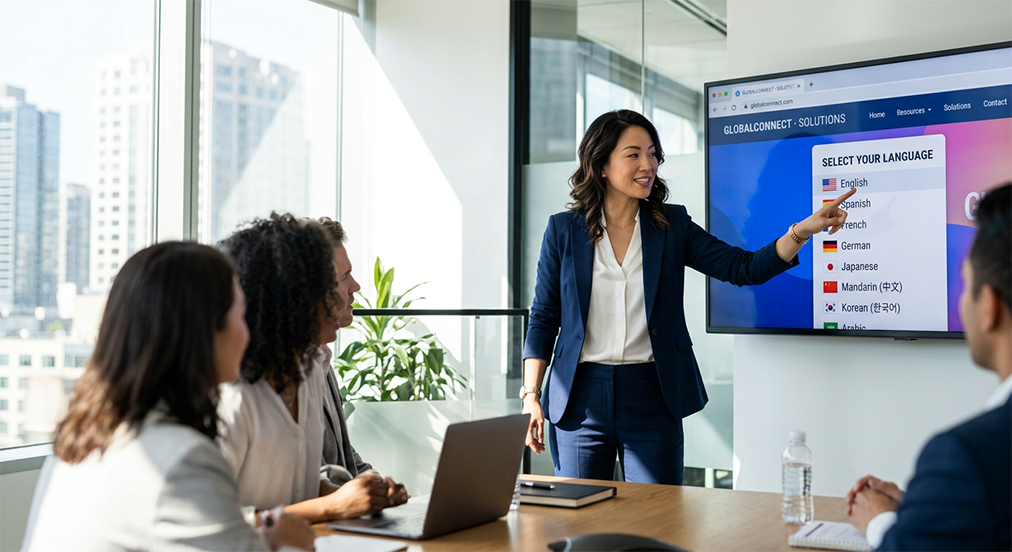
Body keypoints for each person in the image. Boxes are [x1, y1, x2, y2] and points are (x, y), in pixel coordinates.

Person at [522, 109, 854, 484]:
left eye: (652, 154)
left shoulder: (671, 225)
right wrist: (531, 394)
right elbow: (544, 315)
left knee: (658, 515)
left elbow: (742, 268)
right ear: (601, 165)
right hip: (579, 396)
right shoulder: (563, 230)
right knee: (580, 513)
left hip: (652, 392)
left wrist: (802, 231)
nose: (648, 165)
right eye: (633, 154)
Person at [22, 242, 315, 552]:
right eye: (242, 315)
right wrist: (288, 543)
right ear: (204, 330)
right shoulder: (183, 460)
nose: (249, 333)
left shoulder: (81, 435)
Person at [846, 182, 1012, 551]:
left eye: (965, 283)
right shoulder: (973, 475)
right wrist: (932, 507)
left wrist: (880, 521)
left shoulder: (969, 456)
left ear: (989, 306)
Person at [218, 214, 407, 525]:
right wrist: (333, 506)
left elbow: (298, 485)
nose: (347, 294)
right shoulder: (235, 398)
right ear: (292, 299)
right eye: (336, 283)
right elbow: (212, 522)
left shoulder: (308, 374)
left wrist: (360, 496)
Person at [307, 217, 403, 494]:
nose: (356, 287)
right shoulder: (278, 380)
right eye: (345, 277)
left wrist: (376, 484)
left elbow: (344, 457)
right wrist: (352, 497)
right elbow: (305, 484)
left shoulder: (322, 360)